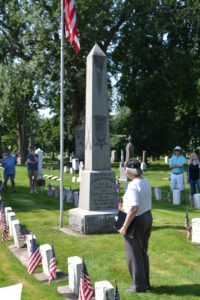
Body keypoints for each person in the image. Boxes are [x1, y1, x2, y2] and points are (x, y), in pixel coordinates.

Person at [118, 159, 152, 293]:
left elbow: (133, 208)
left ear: (129, 171)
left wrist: (125, 227)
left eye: (126, 169)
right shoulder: (145, 181)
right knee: (142, 252)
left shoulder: (133, 185)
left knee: (133, 254)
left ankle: (138, 286)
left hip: (136, 221)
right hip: (147, 217)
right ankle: (145, 283)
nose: (125, 171)